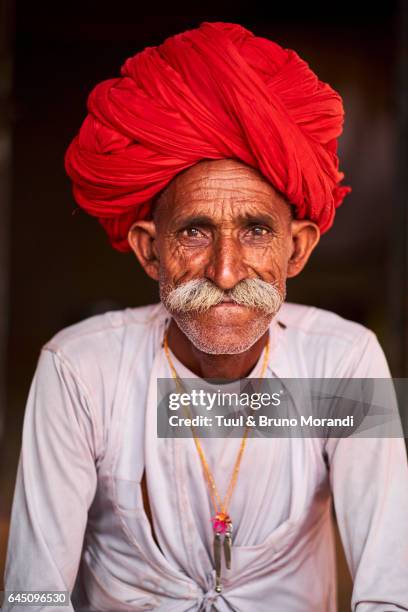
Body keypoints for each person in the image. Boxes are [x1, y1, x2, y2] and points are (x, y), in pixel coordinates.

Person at [3, 21, 408, 612]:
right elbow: (33, 594)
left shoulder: (346, 361)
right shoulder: (78, 369)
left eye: (255, 230)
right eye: (195, 231)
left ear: (296, 249)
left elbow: (390, 589)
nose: (224, 271)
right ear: (149, 249)